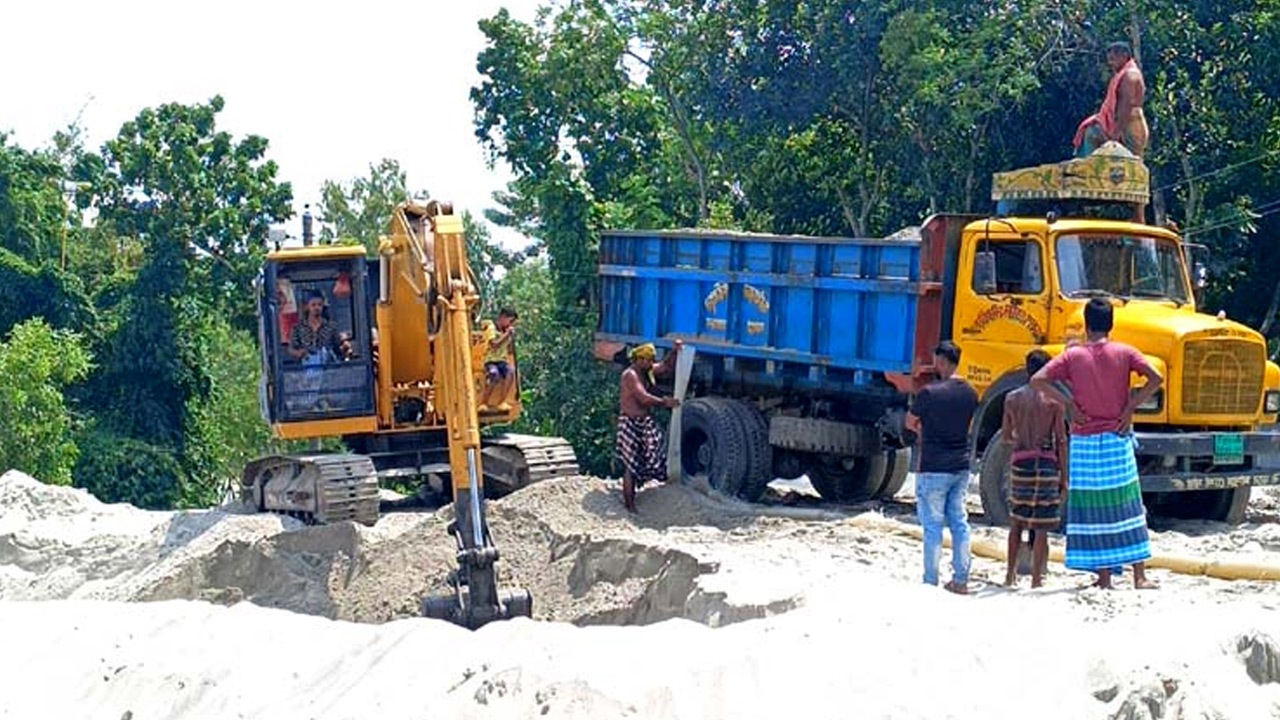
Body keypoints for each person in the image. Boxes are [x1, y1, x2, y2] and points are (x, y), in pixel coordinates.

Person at [1031, 298, 1162, 590]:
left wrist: (1068, 404)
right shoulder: (1124, 352)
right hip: (1117, 436)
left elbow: (1038, 380)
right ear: (1111, 324)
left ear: (1086, 324)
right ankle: (1139, 575)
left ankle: (1104, 577)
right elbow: (1156, 378)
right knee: (1128, 503)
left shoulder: (1074, 356)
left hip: (1085, 441)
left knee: (1095, 508)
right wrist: (1130, 407)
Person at [905, 341, 979, 594]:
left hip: (933, 465)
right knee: (959, 522)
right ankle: (961, 579)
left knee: (932, 525)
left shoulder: (929, 393)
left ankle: (930, 579)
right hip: (960, 465)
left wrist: (922, 429)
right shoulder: (970, 392)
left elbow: (910, 421)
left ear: (942, 361)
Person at [1000, 349, 1068, 589]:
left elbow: (1006, 436)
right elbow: (1061, 440)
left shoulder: (1012, 398)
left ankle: (1010, 575)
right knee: (1041, 526)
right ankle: (1037, 579)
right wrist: (1064, 477)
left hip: (1020, 461)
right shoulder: (1054, 401)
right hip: (1046, 464)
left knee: (1016, 522)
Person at [617, 341, 682, 513]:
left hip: (644, 422)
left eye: (652, 359)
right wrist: (664, 402)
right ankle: (630, 505)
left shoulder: (647, 371)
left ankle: (644, 487)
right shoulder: (630, 375)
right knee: (631, 465)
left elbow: (666, 367)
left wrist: (674, 351)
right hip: (629, 423)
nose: (650, 363)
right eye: (647, 360)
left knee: (654, 455)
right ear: (638, 359)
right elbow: (643, 398)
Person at [1074, 42, 1148, 158]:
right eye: (1109, 60)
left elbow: (1126, 106)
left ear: (1124, 56)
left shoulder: (1130, 75)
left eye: (1113, 59)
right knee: (1091, 131)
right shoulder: (1122, 74)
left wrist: (1115, 135)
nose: (1110, 63)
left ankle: (1089, 169)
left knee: (1092, 134)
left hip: (1128, 124)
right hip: (1120, 122)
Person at [288, 290, 350, 362]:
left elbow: (338, 348)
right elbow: (291, 349)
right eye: (313, 305)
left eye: (319, 305)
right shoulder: (298, 328)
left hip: (328, 367)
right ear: (307, 306)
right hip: (305, 368)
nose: (316, 308)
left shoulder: (331, 327)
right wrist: (299, 353)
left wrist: (344, 347)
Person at [478, 308, 518, 413]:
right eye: (510, 321)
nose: (511, 324)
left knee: (510, 371)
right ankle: (483, 402)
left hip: (502, 360)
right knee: (493, 373)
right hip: (490, 360)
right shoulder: (491, 328)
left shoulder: (505, 331)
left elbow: (510, 351)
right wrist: (507, 335)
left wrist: (511, 339)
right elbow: (494, 344)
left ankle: (502, 401)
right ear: (503, 317)